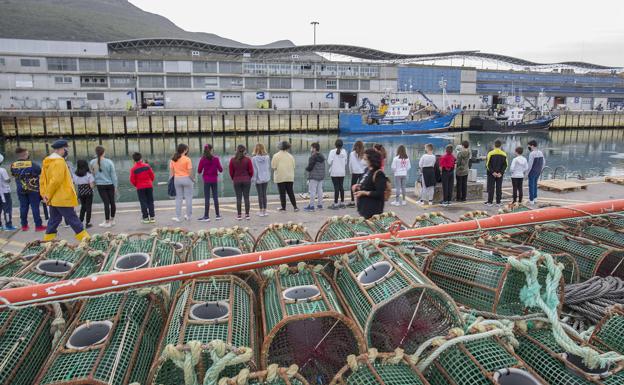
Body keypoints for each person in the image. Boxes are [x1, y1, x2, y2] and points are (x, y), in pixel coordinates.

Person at [40, 139, 89, 241]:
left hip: (53, 198)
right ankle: (86, 239)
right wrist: (47, 194)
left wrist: (45, 194)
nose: (66, 151)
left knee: (54, 220)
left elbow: (43, 180)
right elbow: (56, 181)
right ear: (62, 149)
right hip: (62, 197)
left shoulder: (47, 161)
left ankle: (47, 240)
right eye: (66, 149)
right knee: (73, 218)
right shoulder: (59, 162)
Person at [10, 147, 45, 232]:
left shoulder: (13, 165)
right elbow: (40, 172)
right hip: (33, 189)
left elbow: (13, 174)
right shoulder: (32, 164)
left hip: (20, 189)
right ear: (25, 154)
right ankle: (38, 226)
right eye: (28, 153)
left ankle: (24, 226)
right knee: (35, 207)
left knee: (23, 207)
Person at [353, 148, 387, 219]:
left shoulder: (379, 173)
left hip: (373, 210)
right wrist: (359, 186)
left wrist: (364, 193)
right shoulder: (366, 170)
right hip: (363, 208)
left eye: (365, 159)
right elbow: (366, 184)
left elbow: (379, 193)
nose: (363, 161)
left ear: (371, 160)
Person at [89, 146, 118, 228]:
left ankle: (107, 221)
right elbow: (113, 175)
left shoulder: (92, 162)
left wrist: (93, 183)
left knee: (106, 203)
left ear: (96, 152)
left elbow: (92, 174)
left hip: (100, 185)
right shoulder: (109, 162)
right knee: (112, 202)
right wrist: (115, 186)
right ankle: (112, 220)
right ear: (103, 152)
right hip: (110, 184)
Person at [197, 144, 222, 221]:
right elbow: (221, 169)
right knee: (215, 197)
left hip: (206, 180)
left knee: (207, 198)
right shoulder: (216, 159)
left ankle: (206, 216)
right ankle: (217, 215)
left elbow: (199, 171)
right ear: (211, 150)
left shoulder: (202, 159)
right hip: (214, 180)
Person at [271, 141, 298, 212]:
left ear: (280, 146)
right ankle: (295, 207)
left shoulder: (276, 155)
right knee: (290, 192)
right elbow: (294, 166)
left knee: (282, 193)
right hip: (289, 176)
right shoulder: (291, 156)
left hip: (280, 176)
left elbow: (273, 167)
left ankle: (283, 207)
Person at [170, 143, 194, 222]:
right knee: (188, 198)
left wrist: (171, 181)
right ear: (184, 150)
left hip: (177, 180)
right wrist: (193, 180)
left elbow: (172, 173)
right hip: (187, 179)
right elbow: (190, 173)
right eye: (187, 149)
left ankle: (177, 216)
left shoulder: (173, 159)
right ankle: (188, 216)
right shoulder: (187, 159)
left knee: (178, 198)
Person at [129, 152, 155, 224]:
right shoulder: (147, 166)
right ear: (141, 158)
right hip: (149, 186)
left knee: (143, 202)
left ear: (133, 160)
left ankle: (145, 218)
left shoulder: (133, 169)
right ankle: (152, 217)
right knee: (150, 201)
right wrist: (150, 182)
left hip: (140, 187)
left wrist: (137, 185)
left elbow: (132, 180)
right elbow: (152, 176)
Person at [229, 145, 254, 220]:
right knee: (246, 197)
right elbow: (251, 171)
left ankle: (239, 215)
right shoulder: (248, 160)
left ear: (236, 150)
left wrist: (234, 178)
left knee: (238, 198)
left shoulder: (233, 160)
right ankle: (247, 215)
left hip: (236, 180)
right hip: (246, 180)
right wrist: (249, 177)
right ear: (244, 151)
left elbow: (231, 172)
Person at [485, 140, 508, 206]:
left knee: (491, 188)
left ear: (494, 145)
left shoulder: (490, 153)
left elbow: (488, 164)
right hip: (500, 174)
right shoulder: (504, 154)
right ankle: (498, 202)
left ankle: (490, 202)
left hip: (491, 174)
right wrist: (501, 173)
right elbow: (506, 165)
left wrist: (493, 172)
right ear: (501, 146)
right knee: (499, 188)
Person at [72, 159, 94, 228]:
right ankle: (88, 223)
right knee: (88, 207)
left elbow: (74, 183)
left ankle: (80, 221)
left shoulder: (75, 175)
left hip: (81, 192)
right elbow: (91, 186)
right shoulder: (88, 174)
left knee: (83, 207)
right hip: (89, 193)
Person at [304, 142, 326, 212]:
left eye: (311, 147)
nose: (311, 149)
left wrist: (306, 169)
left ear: (314, 148)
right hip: (321, 176)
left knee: (312, 191)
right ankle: (320, 205)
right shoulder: (322, 156)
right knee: (320, 191)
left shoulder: (312, 157)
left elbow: (310, 167)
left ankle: (311, 206)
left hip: (313, 176)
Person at [251, 143, 270, 217]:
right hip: (266, 178)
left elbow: (254, 170)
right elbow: (268, 167)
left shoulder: (254, 159)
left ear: (255, 149)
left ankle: (261, 211)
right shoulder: (267, 157)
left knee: (260, 195)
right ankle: (265, 211)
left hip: (258, 178)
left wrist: (253, 179)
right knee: (264, 194)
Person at [328, 139, 347, 210]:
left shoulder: (332, 152)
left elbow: (329, 162)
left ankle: (335, 203)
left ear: (335, 145)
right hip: (342, 172)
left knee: (336, 187)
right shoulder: (344, 152)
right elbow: (345, 162)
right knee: (341, 187)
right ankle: (342, 203)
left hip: (334, 172)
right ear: (342, 145)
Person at [348, 141, 366, 207]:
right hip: (362, 172)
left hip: (355, 172)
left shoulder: (352, 154)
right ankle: (360, 201)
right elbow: (365, 164)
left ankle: (353, 201)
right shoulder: (364, 154)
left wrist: (350, 171)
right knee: (361, 187)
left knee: (353, 186)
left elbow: (350, 164)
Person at [527, 140, 545, 205]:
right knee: (535, 184)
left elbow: (530, 164)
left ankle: (531, 200)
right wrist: (541, 169)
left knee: (531, 185)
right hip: (538, 171)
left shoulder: (532, 154)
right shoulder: (540, 152)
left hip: (532, 171)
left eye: (529, 146)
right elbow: (543, 162)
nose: (528, 147)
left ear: (532, 145)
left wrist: (527, 173)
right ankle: (535, 198)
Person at [0, 154, 16, 231]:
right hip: (4, 192)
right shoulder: (2, 170)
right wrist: (11, 178)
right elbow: (7, 180)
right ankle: (8, 225)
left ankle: (0, 226)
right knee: (7, 209)